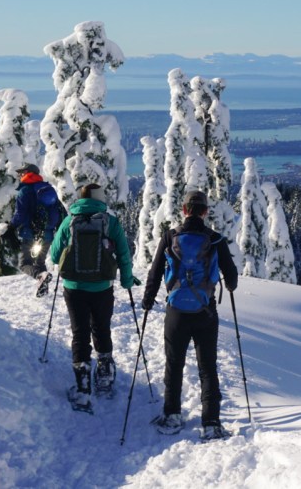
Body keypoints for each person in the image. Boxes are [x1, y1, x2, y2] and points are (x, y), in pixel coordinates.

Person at [142, 189, 238, 440]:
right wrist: (226, 283)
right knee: (207, 367)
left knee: (174, 364)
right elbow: (232, 279)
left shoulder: (169, 237)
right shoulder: (215, 239)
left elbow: (155, 273)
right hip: (205, 312)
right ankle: (211, 422)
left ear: (184, 210)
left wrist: (148, 300)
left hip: (176, 312)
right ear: (205, 212)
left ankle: (172, 415)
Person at [50, 183, 138, 411]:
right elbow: (124, 254)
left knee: (80, 333)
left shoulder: (69, 221)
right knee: (101, 328)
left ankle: (82, 389)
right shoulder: (110, 222)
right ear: (100, 198)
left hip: (74, 287)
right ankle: (105, 376)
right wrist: (126, 279)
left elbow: (54, 254)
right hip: (102, 287)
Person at [4, 162, 61, 297]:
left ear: (27, 173)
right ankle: (43, 290)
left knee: (25, 264)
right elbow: (59, 211)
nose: (19, 175)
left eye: (21, 172)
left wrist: (11, 227)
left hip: (30, 234)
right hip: (47, 235)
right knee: (40, 262)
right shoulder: (48, 189)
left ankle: (40, 277)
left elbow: (20, 215)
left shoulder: (25, 191)